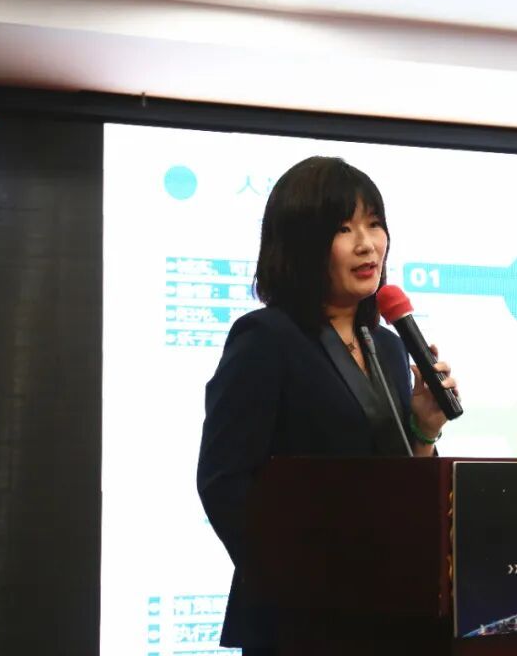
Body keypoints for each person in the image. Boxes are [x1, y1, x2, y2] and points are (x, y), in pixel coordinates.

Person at [196, 156, 458, 654]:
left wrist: (424, 430)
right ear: (302, 243)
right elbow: (223, 481)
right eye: (343, 228)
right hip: (303, 622)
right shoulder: (266, 338)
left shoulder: (388, 345)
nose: (367, 244)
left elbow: (401, 483)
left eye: (374, 224)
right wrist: (294, 580)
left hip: (391, 611)